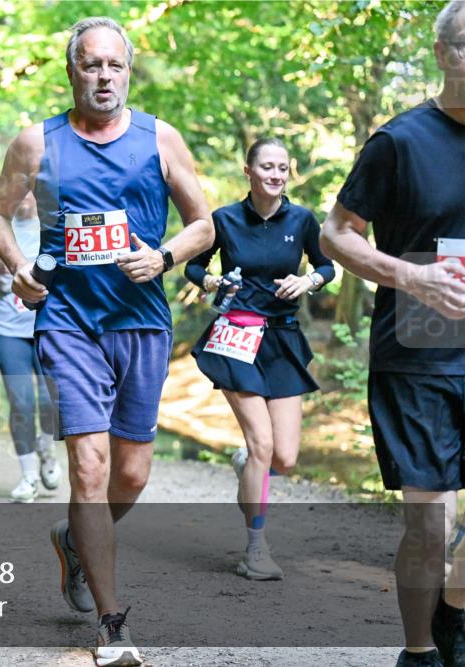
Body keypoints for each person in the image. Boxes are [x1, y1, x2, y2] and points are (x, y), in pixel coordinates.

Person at [0, 17, 215, 666]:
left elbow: (205, 225)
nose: (103, 76)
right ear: (71, 71)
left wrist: (163, 256)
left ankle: (75, 539)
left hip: (141, 322)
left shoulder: (159, 138)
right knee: (89, 467)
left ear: (128, 71)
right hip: (69, 322)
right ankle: (113, 628)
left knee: (132, 473)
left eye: (114, 65)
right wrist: (18, 268)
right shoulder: (37, 142)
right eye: (91, 65)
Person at [321, 3, 465, 665]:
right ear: (441, 52)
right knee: (428, 521)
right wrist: (413, 278)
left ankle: (455, 607)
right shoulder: (400, 141)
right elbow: (336, 234)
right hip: (419, 352)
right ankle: (420, 650)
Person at [184, 137, 335, 580]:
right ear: (248, 171)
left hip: (283, 340)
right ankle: (255, 549)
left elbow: (327, 266)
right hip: (236, 337)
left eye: (283, 168)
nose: (275, 175)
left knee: (284, 458)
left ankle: (247, 461)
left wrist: (307, 283)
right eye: (267, 167)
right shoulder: (225, 219)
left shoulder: (303, 219)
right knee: (263, 445)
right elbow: (194, 266)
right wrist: (210, 282)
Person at [0, 191, 61, 502]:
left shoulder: (54, 227)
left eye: (30, 193)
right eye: (16, 193)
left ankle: (47, 447)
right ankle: (28, 476)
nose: (23, 199)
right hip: (7, 328)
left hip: (49, 325)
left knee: (52, 401)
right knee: (21, 404)